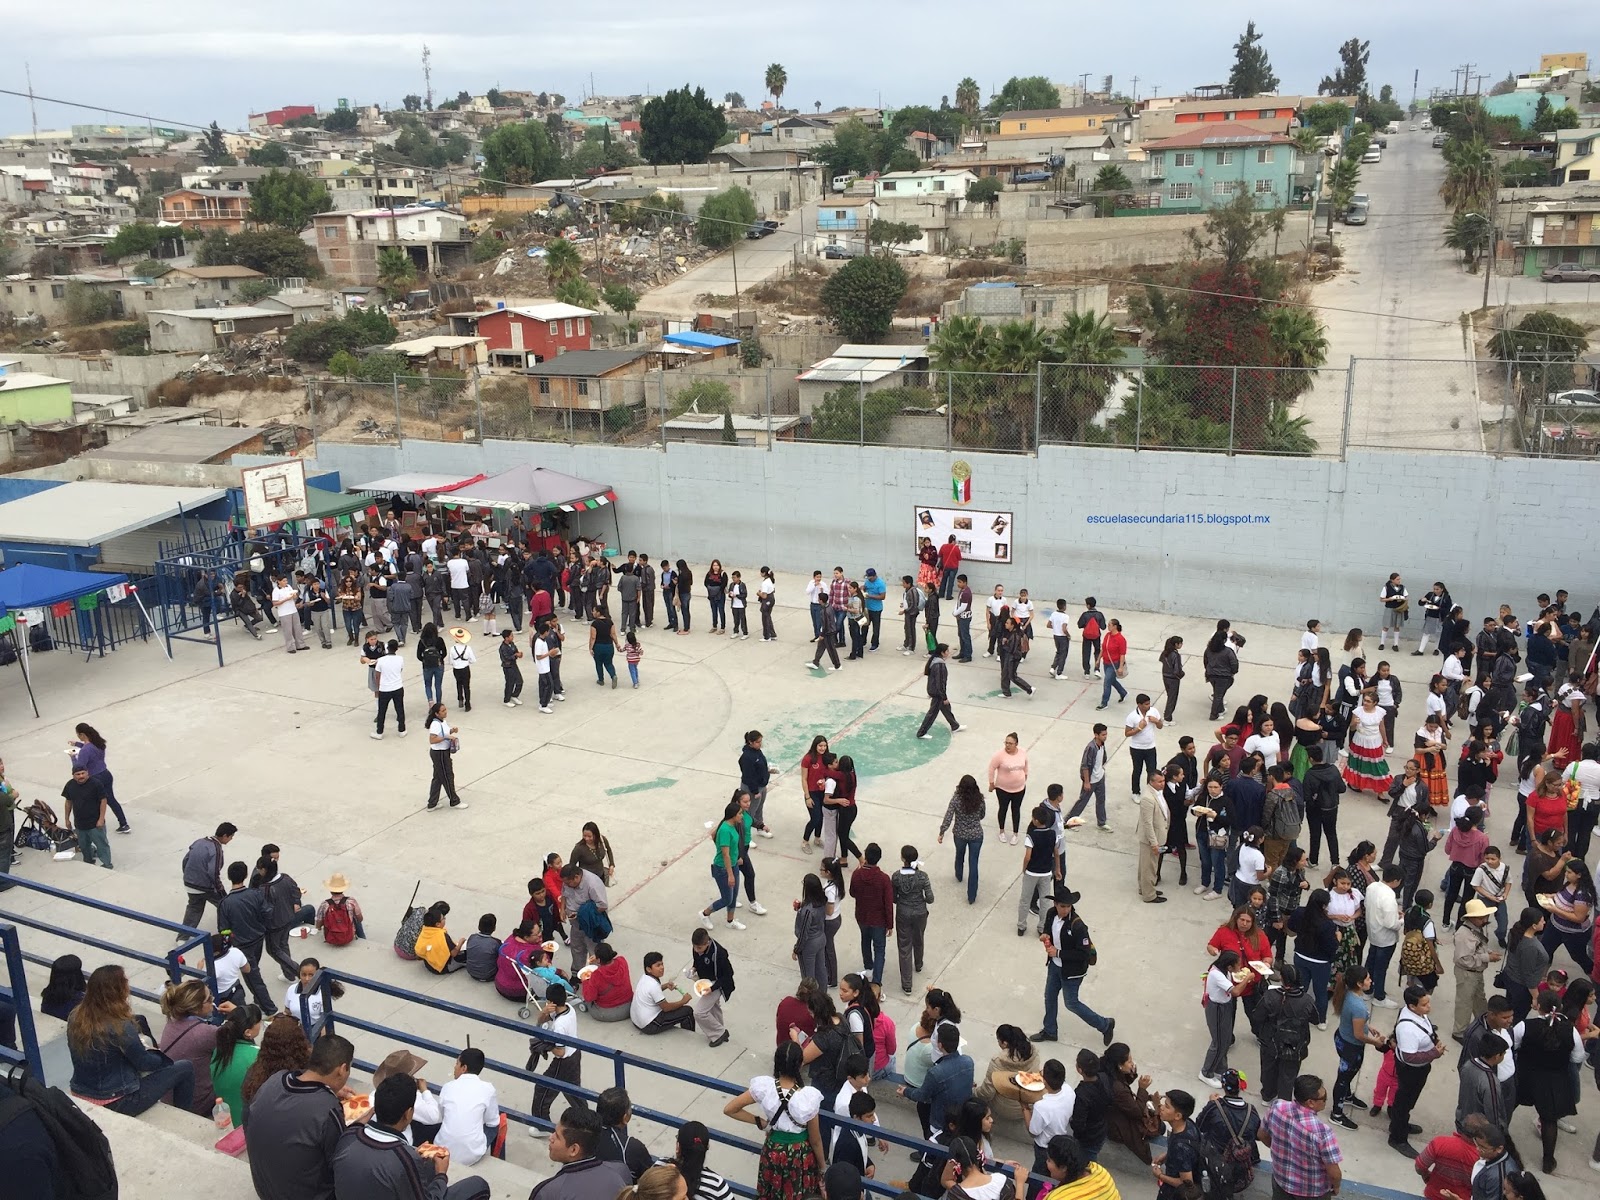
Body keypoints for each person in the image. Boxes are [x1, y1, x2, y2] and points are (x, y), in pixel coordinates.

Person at [333, 1071, 492, 1200]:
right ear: (408, 1113)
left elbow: (358, 1125)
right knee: (479, 1185)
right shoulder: (405, 1157)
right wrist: (441, 1175)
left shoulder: (349, 1136)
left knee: (427, 1167)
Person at [243, 1030, 354, 1200]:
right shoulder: (328, 1109)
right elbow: (341, 1163)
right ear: (342, 1069)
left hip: (265, 1189)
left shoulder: (274, 1081)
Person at [724, 1042, 826, 1200]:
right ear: (799, 1065)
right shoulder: (807, 1098)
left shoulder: (766, 1088)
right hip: (799, 1155)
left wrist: (760, 1122)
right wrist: (822, 1166)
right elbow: (815, 1139)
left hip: (773, 1150)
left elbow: (730, 1109)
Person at [1034, 886, 1114, 1046]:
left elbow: (1083, 954)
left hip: (1072, 971)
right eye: (1062, 906)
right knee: (1049, 997)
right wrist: (1045, 935)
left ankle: (1105, 1024)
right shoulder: (1051, 913)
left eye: (1068, 906)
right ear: (1055, 904)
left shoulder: (1078, 926)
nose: (1065, 909)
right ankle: (1050, 1030)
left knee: (1071, 1003)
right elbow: (1049, 928)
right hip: (1055, 967)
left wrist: (1058, 953)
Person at [1259, 1074, 1342, 1200]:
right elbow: (1333, 1173)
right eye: (1324, 1098)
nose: (1326, 1100)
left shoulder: (1277, 1107)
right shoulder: (1323, 1132)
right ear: (1311, 1103)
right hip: (1311, 1193)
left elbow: (1262, 1135)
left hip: (1281, 1182)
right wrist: (1336, 1186)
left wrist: (1282, 1151)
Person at [527, 1107, 632, 1200]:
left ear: (574, 1150)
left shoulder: (548, 1193)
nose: (551, 1138)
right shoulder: (621, 1172)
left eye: (557, 1137)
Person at [1387, 985, 1442, 1156]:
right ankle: (1397, 1137)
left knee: (1408, 1101)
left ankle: (1401, 1122)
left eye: (1428, 1003)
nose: (1428, 1008)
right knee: (1405, 1101)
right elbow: (1409, 1057)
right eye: (1424, 1005)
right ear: (1412, 1007)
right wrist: (1434, 1053)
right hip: (1411, 1070)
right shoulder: (1407, 1029)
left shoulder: (1416, 1013)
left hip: (1420, 1068)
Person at [897, 1023, 974, 1137]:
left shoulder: (936, 1072)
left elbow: (922, 1096)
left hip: (940, 1124)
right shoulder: (968, 1062)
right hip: (963, 1118)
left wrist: (905, 1091)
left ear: (940, 1045)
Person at [157, 978, 220, 1115]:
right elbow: (234, 1042)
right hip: (198, 1103)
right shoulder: (204, 1033)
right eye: (209, 999)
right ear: (197, 1007)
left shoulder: (172, 1021)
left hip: (171, 1097)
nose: (213, 1001)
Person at [1255, 963, 1316, 1104]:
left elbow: (1257, 1016)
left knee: (1268, 1069)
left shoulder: (1270, 995)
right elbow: (1315, 1018)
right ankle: (1283, 1102)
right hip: (1295, 1044)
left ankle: (1267, 1095)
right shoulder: (1306, 1000)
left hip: (1271, 1041)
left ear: (1282, 979)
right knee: (1288, 1074)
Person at [434, 1047, 500, 1168]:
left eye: (457, 1063)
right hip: (472, 1154)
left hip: (443, 1150)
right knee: (494, 1125)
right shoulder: (488, 1089)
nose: (455, 1067)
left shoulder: (448, 1087)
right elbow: (492, 1122)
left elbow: (441, 1116)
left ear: (464, 1068)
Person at [210, 1002, 263, 1126]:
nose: (260, 1025)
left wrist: (238, 1013)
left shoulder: (219, 1051)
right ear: (248, 1032)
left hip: (227, 1119)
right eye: (258, 1022)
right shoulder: (257, 1056)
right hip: (249, 1123)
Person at [850, 843, 894, 987]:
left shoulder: (857, 874)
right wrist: (890, 924)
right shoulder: (883, 879)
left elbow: (852, 893)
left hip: (862, 916)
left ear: (866, 856)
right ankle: (877, 981)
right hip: (879, 920)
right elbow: (888, 902)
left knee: (865, 941)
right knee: (879, 949)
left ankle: (868, 968)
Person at [180, 821, 237, 933]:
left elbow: (185, 860)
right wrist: (220, 890)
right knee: (224, 905)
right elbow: (213, 872)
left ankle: (183, 936)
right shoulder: (216, 849)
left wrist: (188, 876)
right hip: (205, 886)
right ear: (225, 836)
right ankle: (230, 929)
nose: (231, 839)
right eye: (231, 836)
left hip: (189, 883)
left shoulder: (199, 842)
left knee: (194, 908)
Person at [939, 775, 987, 905]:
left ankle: (959, 875)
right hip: (976, 835)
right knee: (974, 864)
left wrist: (942, 831)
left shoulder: (956, 799)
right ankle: (972, 896)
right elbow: (982, 815)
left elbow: (948, 816)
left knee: (959, 854)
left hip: (960, 834)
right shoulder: (980, 799)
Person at [892, 845, 934, 995]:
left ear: (903, 858)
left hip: (903, 912)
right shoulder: (923, 876)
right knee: (919, 937)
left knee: (904, 946)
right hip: (920, 912)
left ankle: (907, 984)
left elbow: (893, 898)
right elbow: (930, 899)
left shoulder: (896, 876)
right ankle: (919, 963)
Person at [631, 951, 696, 1035]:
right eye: (658, 965)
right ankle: (690, 1036)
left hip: (637, 1020)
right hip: (649, 1025)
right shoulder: (653, 986)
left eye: (662, 964)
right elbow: (666, 1007)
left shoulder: (645, 978)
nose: (662, 967)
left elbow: (651, 993)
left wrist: (665, 986)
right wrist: (683, 1001)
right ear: (649, 969)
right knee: (687, 1011)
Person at [691, 927, 734, 1049]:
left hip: (718, 984)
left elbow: (728, 974)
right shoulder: (697, 947)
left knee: (699, 1012)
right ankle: (719, 1029)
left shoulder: (719, 954)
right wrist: (694, 968)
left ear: (707, 943)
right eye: (694, 947)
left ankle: (719, 1032)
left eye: (699, 948)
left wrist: (713, 987)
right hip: (706, 981)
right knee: (714, 1007)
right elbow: (697, 961)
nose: (696, 950)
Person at [1135, 769, 1170, 904]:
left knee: (1146, 865)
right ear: (1151, 782)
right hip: (1151, 838)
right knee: (1149, 867)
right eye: (1159, 781)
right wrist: (1154, 843)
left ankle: (1144, 888)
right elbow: (1147, 823)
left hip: (1157, 835)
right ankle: (1149, 894)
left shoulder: (1156, 793)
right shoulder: (1147, 798)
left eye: (1163, 781)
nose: (1162, 784)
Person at [916, 643, 963, 739]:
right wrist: (944, 697)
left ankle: (955, 726)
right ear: (942, 653)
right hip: (937, 693)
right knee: (932, 713)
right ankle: (921, 732)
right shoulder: (940, 665)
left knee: (946, 707)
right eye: (947, 651)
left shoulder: (933, 661)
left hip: (934, 690)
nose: (948, 653)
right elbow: (940, 683)